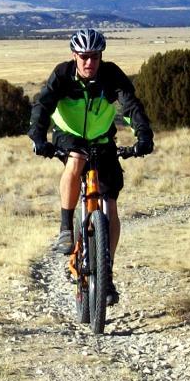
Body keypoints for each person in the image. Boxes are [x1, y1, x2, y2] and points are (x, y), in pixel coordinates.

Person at [28, 28, 153, 305]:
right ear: (74, 56)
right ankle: (66, 228)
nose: (89, 62)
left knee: (110, 204)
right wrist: (38, 137)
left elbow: (131, 107)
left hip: (102, 138)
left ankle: (105, 274)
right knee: (76, 158)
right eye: (83, 56)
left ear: (101, 56)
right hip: (68, 134)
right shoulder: (62, 75)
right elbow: (43, 107)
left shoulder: (111, 75)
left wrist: (144, 136)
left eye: (94, 56)